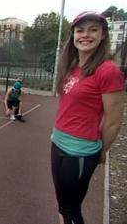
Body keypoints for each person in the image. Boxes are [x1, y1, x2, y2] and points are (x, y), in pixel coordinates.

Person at [51, 11, 124, 224]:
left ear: (103, 35)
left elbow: (113, 121)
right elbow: (67, 106)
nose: (85, 35)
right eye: (80, 30)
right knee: (63, 207)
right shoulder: (72, 68)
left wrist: (102, 152)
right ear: (73, 35)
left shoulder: (108, 71)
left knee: (71, 210)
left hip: (80, 151)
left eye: (93, 30)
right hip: (57, 143)